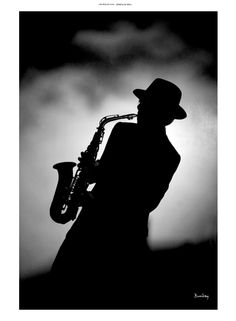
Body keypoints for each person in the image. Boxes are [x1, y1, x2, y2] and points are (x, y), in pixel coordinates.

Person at [50, 78, 187, 308]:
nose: (139, 107)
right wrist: (91, 170)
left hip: (122, 240)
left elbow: (146, 202)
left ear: (165, 115)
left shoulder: (168, 156)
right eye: (141, 103)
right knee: (58, 290)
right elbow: (104, 173)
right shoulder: (121, 130)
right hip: (87, 226)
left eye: (146, 104)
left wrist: (93, 201)